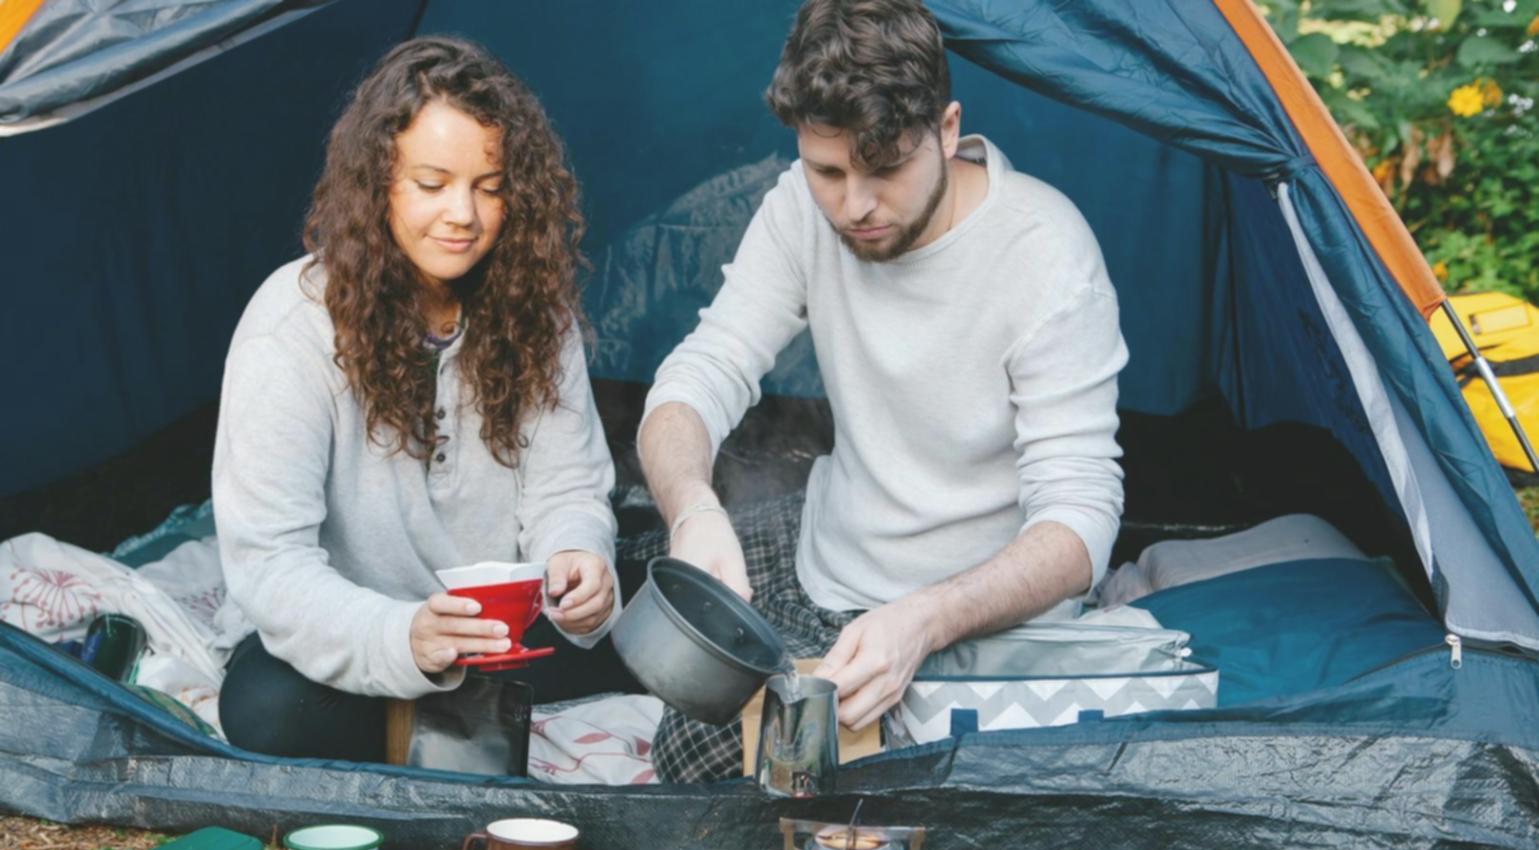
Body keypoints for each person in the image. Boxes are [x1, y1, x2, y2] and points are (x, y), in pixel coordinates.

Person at [634, 0, 1128, 781]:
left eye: (885, 169)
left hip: (977, 610)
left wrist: (925, 618)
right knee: (692, 755)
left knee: (895, 793)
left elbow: (1080, 521)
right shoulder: (800, 205)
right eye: (827, 171)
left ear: (945, 128)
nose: (853, 206)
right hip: (830, 563)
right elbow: (701, 371)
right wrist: (692, 512)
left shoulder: (1044, 252)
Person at [212, 37, 621, 761]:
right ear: (379, 184)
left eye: (489, 187)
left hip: (505, 640)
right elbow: (271, 564)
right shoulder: (291, 327)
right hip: (364, 638)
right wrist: (403, 637)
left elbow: (568, 487)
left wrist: (577, 555)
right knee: (266, 709)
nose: (462, 214)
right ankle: (442, 727)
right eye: (432, 183)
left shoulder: (536, 312)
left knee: (647, 624)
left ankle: (459, 723)